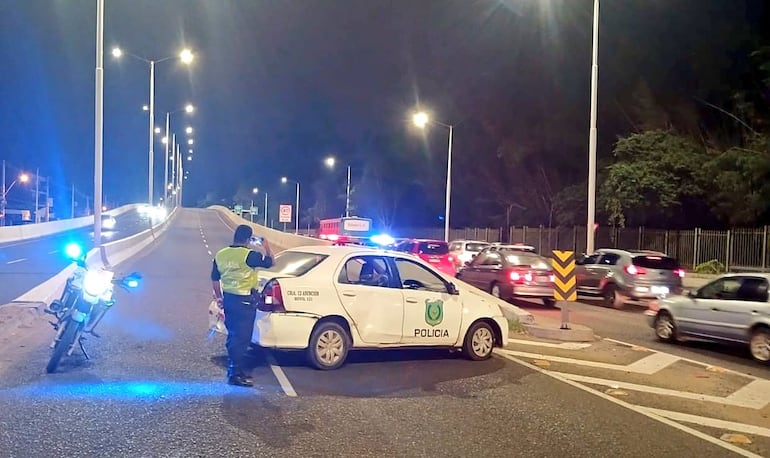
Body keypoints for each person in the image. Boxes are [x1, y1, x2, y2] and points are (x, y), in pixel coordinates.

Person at [211, 224, 274, 387]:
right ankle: (235, 374)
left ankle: (233, 369)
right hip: (244, 302)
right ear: (248, 239)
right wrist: (266, 246)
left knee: (233, 336)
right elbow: (270, 262)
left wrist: (219, 297)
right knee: (242, 339)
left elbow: (215, 279)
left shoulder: (221, 254)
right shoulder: (249, 255)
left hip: (229, 300)